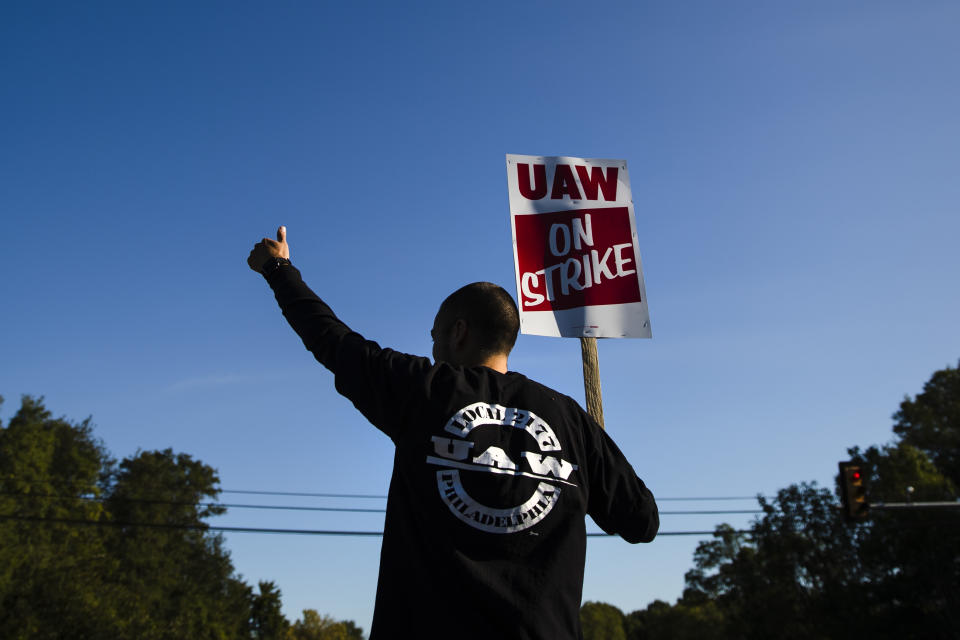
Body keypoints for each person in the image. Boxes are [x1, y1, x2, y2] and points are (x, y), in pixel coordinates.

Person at [248, 226, 658, 640]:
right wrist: (587, 469)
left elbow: (331, 339)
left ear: (458, 332)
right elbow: (641, 521)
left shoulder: (423, 390)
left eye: (434, 336)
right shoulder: (570, 419)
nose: (432, 349)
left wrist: (278, 268)